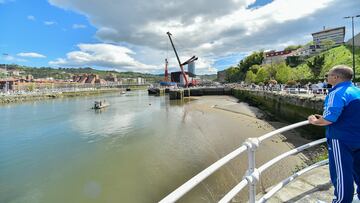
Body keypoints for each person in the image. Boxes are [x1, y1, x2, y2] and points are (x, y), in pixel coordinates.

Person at [308, 65, 360, 203]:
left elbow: (329, 120)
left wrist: (314, 121)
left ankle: (341, 201)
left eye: (328, 75)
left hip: (341, 140)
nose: (327, 77)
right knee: (358, 170)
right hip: (357, 137)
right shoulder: (356, 91)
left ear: (336, 77)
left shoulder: (336, 93)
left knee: (341, 174)